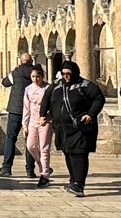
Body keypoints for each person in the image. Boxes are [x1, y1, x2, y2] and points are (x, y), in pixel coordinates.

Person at [45, 60, 105, 197]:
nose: (66, 76)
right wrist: (43, 114)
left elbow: (98, 98)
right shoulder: (57, 86)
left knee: (79, 154)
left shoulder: (85, 85)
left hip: (80, 128)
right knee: (68, 153)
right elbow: (47, 99)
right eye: (64, 74)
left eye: (69, 74)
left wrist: (90, 114)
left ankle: (79, 184)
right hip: (63, 129)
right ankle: (73, 180)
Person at [0, 52, 36, 177]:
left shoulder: (16, 72)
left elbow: (5, 82)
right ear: (31, 61)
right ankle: (30, 170)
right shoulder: (35, 73)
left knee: (10, 138)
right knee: (29, 140)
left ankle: (6, 168)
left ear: (21, 61)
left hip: (15, 109)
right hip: (30, 110)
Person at [22, 65, 55, 187]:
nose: (35, 79)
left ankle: (44, 175)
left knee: (44, 147)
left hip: (45, 121)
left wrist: (47, 117)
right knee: (30, 146)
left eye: (38, 77)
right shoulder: (28, 89)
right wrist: (24, 124)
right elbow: (26, 108)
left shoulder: (47, 88)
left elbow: (53, 105)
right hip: (32, 121)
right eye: (33, 77)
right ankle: (44, 167)